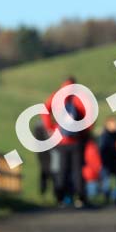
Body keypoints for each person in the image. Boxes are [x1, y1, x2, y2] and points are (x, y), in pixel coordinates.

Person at [41, 76, 92, 208]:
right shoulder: (80, 97)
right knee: (78, 170)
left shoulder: (56, 96)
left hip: (61, 140)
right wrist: (85, 133)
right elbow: (90, 116)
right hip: (77, 141)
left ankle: (60, 199)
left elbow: (44, 110)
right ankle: (80, 198)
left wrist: (50, 128)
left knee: (62, 170)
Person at [98, 116, 116, 205]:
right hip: (106, 163)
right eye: (114, 124)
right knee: (106, 182)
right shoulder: (104, 136)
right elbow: (101, 150)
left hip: (115, 161)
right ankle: (106, 199)